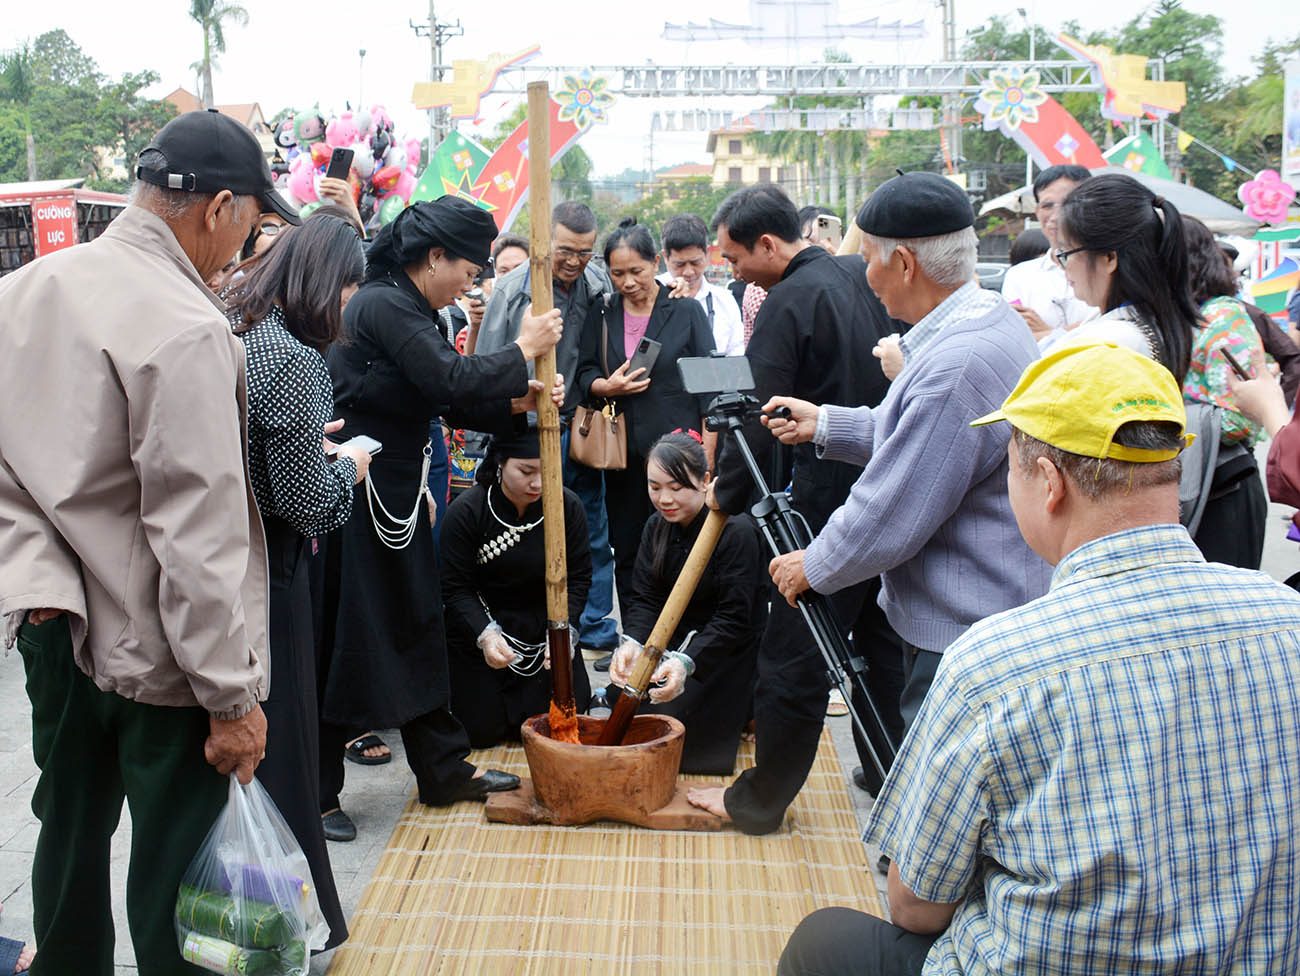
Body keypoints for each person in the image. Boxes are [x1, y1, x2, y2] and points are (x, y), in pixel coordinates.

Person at [779, 342, 1300, 976]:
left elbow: (915, 906)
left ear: (1049, 483)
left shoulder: (996, 666)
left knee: (823, 940)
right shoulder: (1286, 619)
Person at [0, 110, 286, 973]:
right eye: (252, 224)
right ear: (219, 208)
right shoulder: (186, 325)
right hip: (162, 652)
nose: (245, 244)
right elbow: (194, 535)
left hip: (54, 623)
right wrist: (232, 698)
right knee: (175, 873)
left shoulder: (23, 290)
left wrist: (32, 576)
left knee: (70, 832)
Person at [317, 195, 564, 842]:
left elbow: (445, 402)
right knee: (351, 639)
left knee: (418, 627)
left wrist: (521, 403)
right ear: (434, 258)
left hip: (395, 494)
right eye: (470, 268)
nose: (473, 281)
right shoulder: (382, 302)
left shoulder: (413, 307)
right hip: (354, 494)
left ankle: (443, 768)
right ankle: (316, 792)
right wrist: (522, 347)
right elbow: (452, 380)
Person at [686, 183, 905, 832]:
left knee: (795, 658)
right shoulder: (862, 275)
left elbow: (756, 409)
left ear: (768, 244)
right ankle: (890, 774)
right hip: (891, 491)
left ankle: (759, 801)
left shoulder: (788, 302)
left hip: (822, 508)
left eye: (731, 258)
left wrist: (723, 494)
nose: (731, 271)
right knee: (882, 652)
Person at [224, 212, 370, 950]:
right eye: (350, 285)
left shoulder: (243, 327)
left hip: (228, 562)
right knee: (281, 758)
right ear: (325, 281)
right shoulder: (293, 357)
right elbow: (307, 502)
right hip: (270, 576)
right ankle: (283, 932)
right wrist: (346, 466)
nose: (351, 303)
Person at [476, 202, 621, 662]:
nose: (574, 261)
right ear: (546, 243)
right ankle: (532, 622)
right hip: (529, 425)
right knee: (532, 528)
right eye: (565, 250)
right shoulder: (514, 289)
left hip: (579, 422)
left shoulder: (597, 284)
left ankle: (594, 622)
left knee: (591, 525)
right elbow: (487, 359)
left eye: (584, 252)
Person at [574, 218, 716, 613]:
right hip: (623, 455)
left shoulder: (686, 310)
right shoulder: (601, 313)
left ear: (656, 263)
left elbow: (709, 388)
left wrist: (708, 453)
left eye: (636, 271)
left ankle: (685, 632)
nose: (628, 282)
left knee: (684, 542)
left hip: (679, 453)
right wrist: (606, 387)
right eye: (617, 273)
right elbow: (585, 371)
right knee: (630, 544)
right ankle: (636, 640)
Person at [606, 432, 765, 774]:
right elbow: (646, 597)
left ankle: (747, 709)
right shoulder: (655, 526)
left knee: (678, 744)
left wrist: (687, 663)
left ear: (706, 481)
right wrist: (632, 642)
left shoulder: (735, 530)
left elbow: (734, 619)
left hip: (722, 651)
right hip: (673, 641)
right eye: (655, 487)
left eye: (677, 488)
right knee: (623, 708)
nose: (665, 499)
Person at [440, 428, 592, 746]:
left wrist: (564, 634)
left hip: (544, 632)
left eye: (546, 470)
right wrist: (485, 634)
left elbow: (578, 578)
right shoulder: (469, 511)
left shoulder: (566, 506)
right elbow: (455, 586)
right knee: (480, 731)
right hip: (484, 632)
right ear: (500, 463)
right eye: (526, 471)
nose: (537, 483)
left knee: (557, 727)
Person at [1180, 216, 1268, 569]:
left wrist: (1173, 415)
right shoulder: (1193, 317)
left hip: (1225, 487)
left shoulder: (1222, 319)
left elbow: (1242, 419)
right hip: (1202, 483)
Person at [1053, 172, 1199, 381]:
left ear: (1109, 258)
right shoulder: (1149, 322)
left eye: (1067, 253)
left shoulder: (1108, 343)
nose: (1064, 267)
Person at [999, 164, 1098, 348]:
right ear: (1037, 211)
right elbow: (1014, 340)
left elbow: (1104, 333)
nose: (1055, 215)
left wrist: (1047, 333)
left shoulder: (1106, 269)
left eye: (1067, 203)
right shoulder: (1019, 276)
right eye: (1047, 205)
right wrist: (1076, 331)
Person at [658, 213, 744, 356]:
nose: (688, 272)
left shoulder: (724, 301)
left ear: (706, 253)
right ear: (665, 257)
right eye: (679, 264)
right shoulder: (652, 294)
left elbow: (737, 351)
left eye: (695, 262)